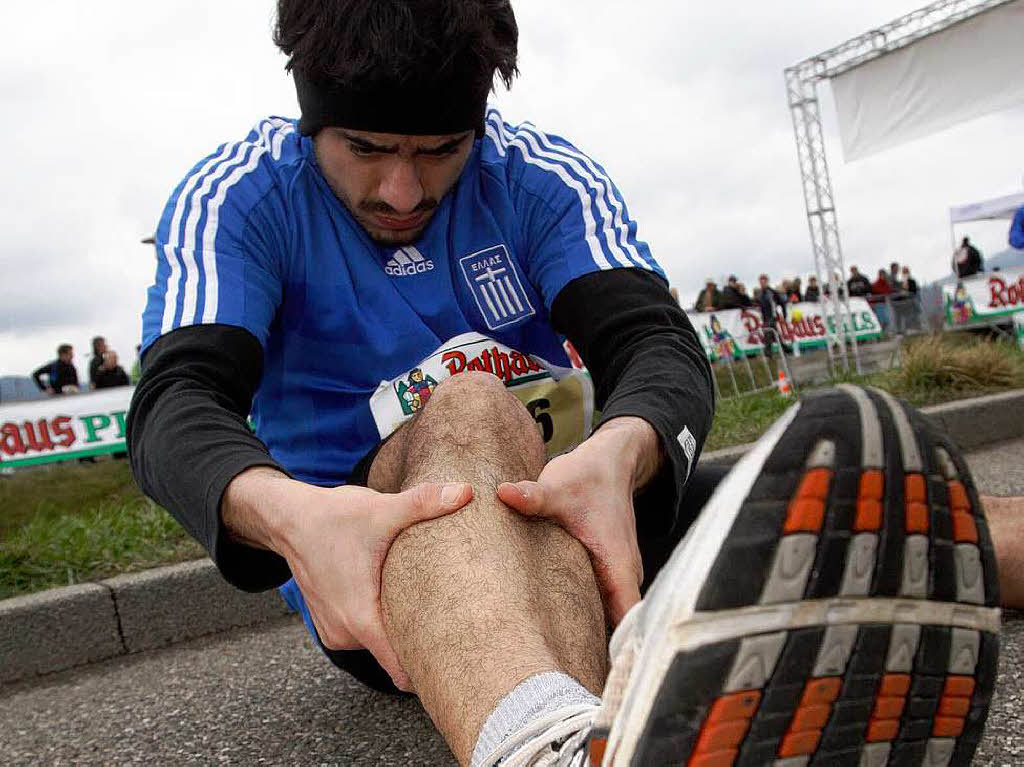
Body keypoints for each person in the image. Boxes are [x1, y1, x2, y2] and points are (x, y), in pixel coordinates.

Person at [126, 4, 1014, 765]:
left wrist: (624, 454)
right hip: (388, 567)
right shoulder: (242, 199)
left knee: (896, 510)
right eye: (364, 147)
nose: (402, 188)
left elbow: (655, 343)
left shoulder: (540, 177)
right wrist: (290, 515)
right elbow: (174, 405)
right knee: (472, 403)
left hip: (585, 521)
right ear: (310, 118)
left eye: (440, 150)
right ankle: (545, 738)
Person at [756, 273, 791, 354]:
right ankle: (784, 348)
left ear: (767, 281)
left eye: (764, 281)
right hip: (765, 317)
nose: (762, 283)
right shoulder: (760, 294)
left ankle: (768, 351)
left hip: (772, 316)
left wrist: (783, 314)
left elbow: (781, 303)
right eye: (761, 281)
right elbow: (760, 306)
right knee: (775, 334)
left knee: (768, 333)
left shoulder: (771, 292)